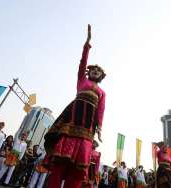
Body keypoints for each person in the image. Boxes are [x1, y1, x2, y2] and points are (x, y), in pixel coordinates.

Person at [44, 24, 106, 188]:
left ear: (101, 76)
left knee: (79, 168)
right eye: (92, 70)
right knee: (60, 162)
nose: (95, 72)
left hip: (88, 126)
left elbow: (101, 110)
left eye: (98, 72)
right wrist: (87, 44)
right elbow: (82, 62)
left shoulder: (102, 92)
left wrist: (99, 127)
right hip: (72, 119)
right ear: (88, 72)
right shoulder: (82, 81)